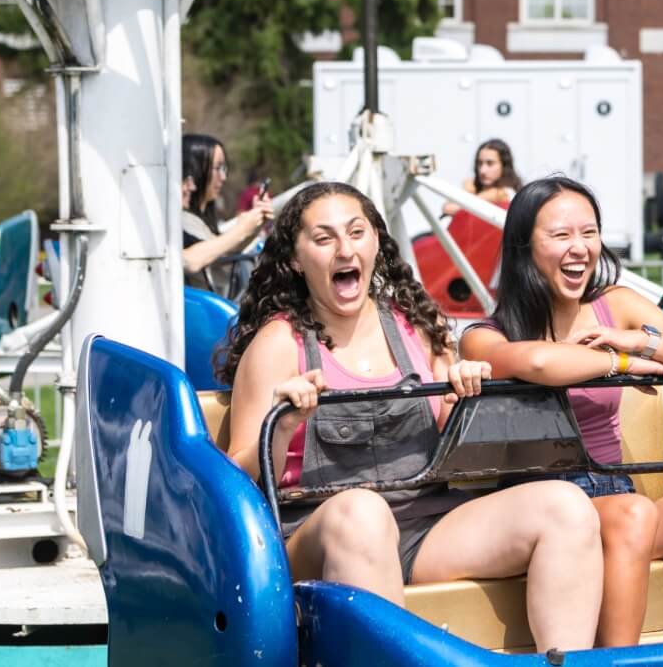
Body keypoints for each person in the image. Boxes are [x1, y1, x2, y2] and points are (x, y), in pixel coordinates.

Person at [217, 181, 604, 653]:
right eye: (324, 239)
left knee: (566, 506)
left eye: (356, 232)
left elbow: (451, 442)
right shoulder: (279, 344)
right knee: (363, 512)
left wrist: (465, 397)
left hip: (424, 528)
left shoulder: (414, 327)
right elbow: (233, 478)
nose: (345, 248)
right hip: (320, 532)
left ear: (376, 242)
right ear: (296, 260)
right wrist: (281, 428)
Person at [460, 177, 663, 647]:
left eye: (589, 232)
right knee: (632, 514)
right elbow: (541, 362)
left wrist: (641, 340)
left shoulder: (615, 307)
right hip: (548, 512)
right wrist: (621, 364)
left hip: (618, 490)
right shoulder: (486, 335)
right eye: (561, 235)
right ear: (524, 246)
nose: (579, 248)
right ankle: (617, 661)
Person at [181, 133, 273, 296]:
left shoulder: (198, 221)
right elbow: (191, 259)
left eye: (224, 169)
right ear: (194, 169)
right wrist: (242, 229)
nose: (223, 177)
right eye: (217, 168)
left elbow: (221, 253)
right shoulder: (180, 221)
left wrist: (255, 225)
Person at [443, 139, 522, 216]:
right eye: (480, 163)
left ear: (504, 165)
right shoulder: (476, 189)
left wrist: (468, 192)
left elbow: (449, 208)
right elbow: (446, 206)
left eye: (490, 163)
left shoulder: (505, 192)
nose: (482, 170)